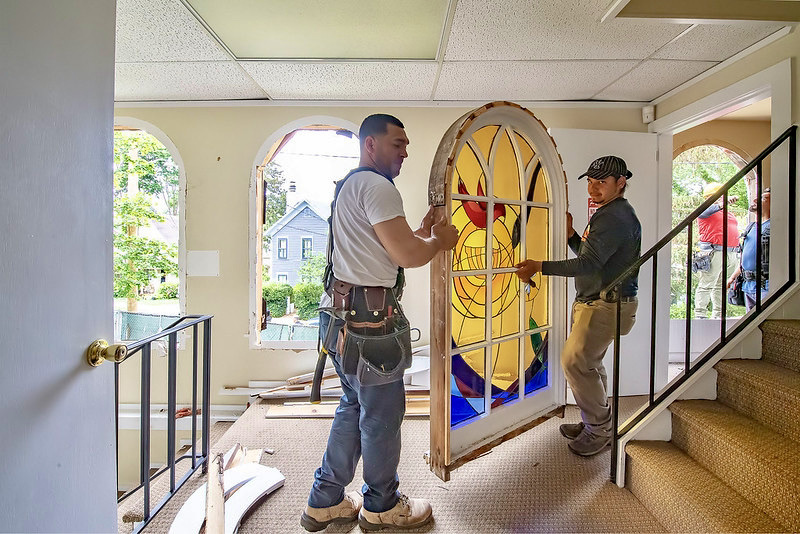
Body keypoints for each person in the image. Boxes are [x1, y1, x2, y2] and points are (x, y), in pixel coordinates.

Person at [301, 114, 458, 532]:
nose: (405, 151)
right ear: (370, 145)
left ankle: (325, 500)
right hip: (370, 326)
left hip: (341, 317)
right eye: (397, 143)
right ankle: (383, 505)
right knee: (382, 418)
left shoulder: (351, 185)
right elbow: (407, 255)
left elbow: (384, 248)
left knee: (352, 407)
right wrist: (440, 239)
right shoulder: (377, 186)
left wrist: (422, 231)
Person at [514, 155, 641, 457]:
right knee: (589, 364)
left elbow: (587, 264)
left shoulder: (613, 217)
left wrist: (538, 266)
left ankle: (599, 430)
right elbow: (596, 260)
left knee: (575, 362)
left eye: (602, 182)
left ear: (621, 183)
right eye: (591, 181)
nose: (593, 188)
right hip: (597, 302)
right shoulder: (610, 212)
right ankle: (597, 422)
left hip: (604, 304)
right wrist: (572, 235)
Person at [694, 183, 739, 319]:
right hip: (714, 252)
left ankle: (719, 315)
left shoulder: (728, 213)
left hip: (731, 253)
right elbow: (701, 212)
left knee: (721, 285)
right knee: (707, 284)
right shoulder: (705, 211)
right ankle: (700, 315)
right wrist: (720, 204)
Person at [728, 188, 770, 311]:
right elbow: (744, 259)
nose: (755, 199)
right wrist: (732, 278)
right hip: (748, 287)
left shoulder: (774, 227)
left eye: (763, 198)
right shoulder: (751, 227)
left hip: (765, 287)